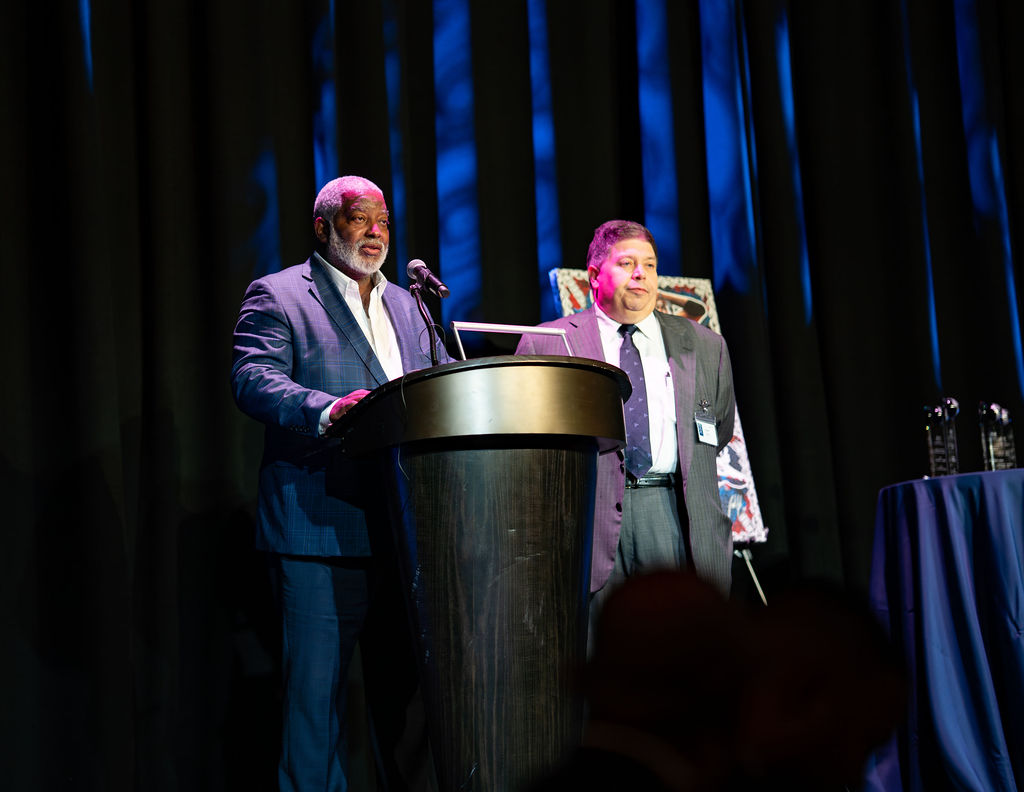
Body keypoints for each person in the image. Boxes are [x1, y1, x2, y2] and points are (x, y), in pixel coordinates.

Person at [231, 175, 447, 791]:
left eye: (383, 220)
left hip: (407, 534)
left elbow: (439, 384)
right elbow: (252, 378)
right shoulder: (278, 295)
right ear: (324, 227)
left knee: (408, 708)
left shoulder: (410, 304)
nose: (376, 232)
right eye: (360, 220)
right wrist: (326, 409)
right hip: (320, 531)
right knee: (315, 707)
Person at [516, 220, 736, 617]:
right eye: (627, 263)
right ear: (595, 275)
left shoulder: (705, 346)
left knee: (678, 656)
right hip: (587, 523)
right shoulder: (547, 343)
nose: (641, 275)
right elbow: (527, 449)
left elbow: (717, 430)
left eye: (649, 266)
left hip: (672, 514)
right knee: (599, 665)